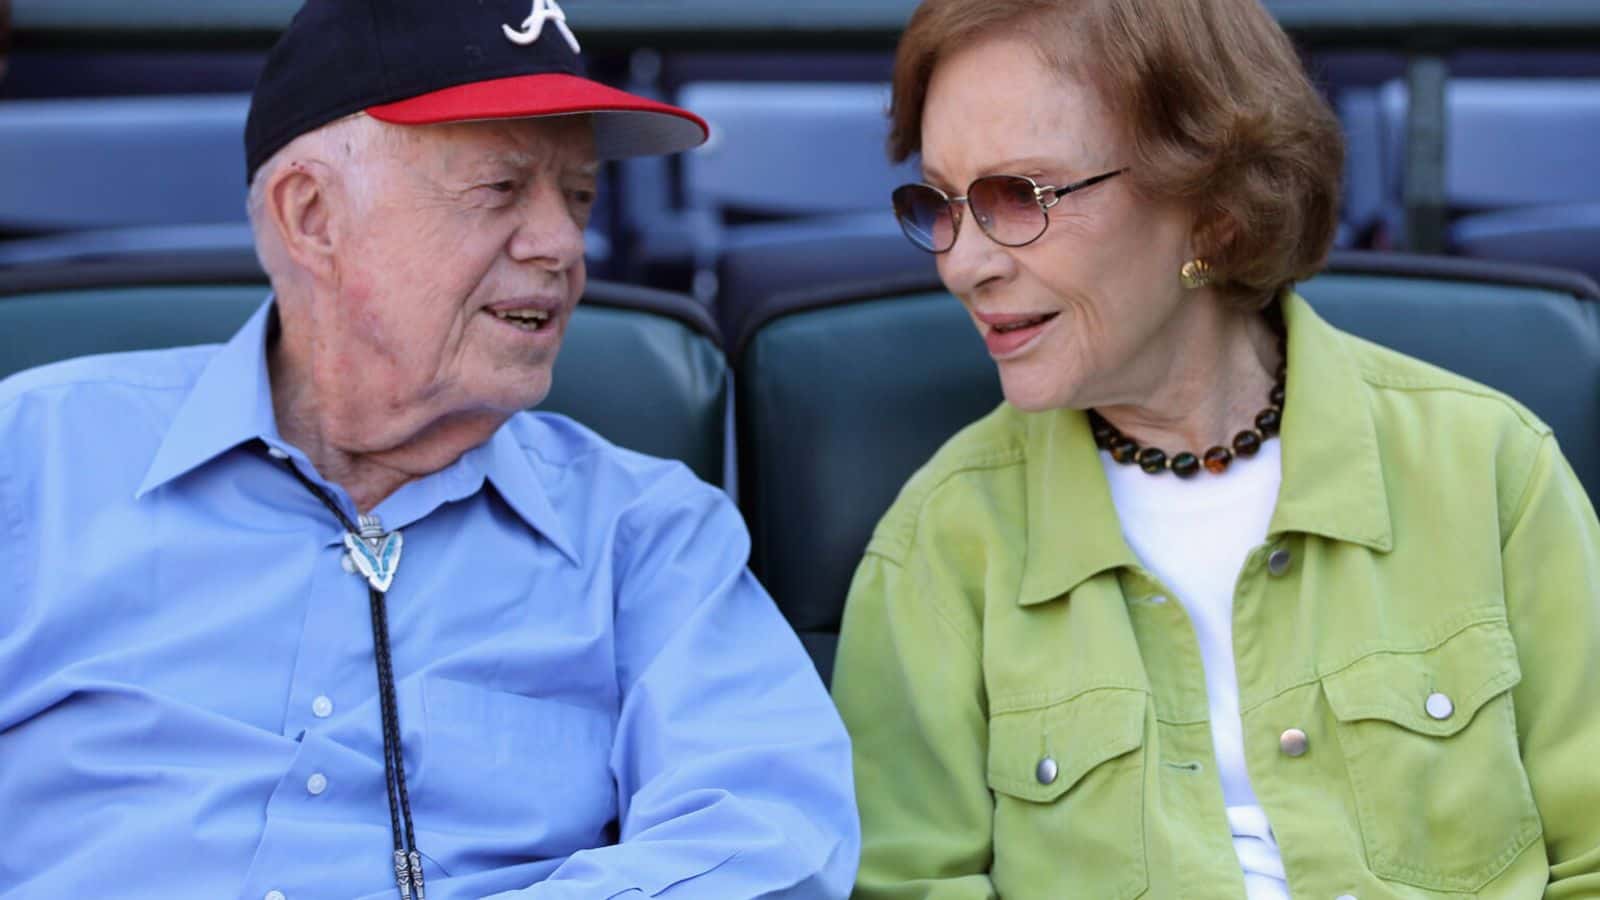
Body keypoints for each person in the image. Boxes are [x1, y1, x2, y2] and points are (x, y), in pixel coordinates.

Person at [0, 1, 858, 897]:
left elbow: (771, 836)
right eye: (499, 189)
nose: (563, 245)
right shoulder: (31, 460)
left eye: (579, 198)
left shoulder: (646, 536)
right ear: (312, 217)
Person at [832, 0, 1600, 897]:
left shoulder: (1490, 467)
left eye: (1017, 197)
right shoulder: (942, 541)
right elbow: (907, 884)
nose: (963, 263)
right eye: (939, 204)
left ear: (1214, 212)